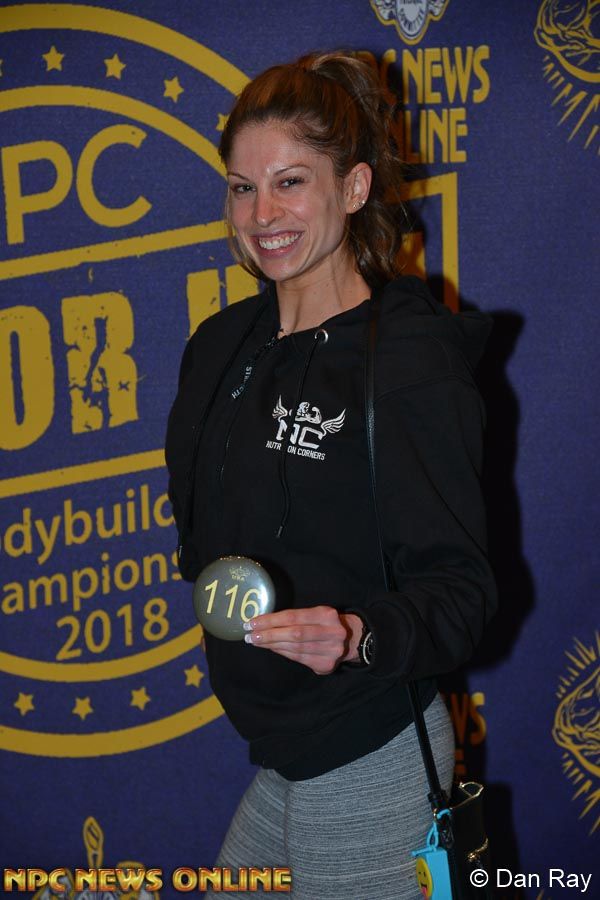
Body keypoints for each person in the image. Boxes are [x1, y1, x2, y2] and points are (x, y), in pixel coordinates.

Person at [165, 51, 497, 899]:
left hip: (369, 745)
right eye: (242, 188)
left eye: (290, 183)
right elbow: (201, 542)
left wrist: (355, 634)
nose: (261, 215)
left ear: (353, 188)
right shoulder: (219, 349)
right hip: (282, 747)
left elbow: (462, 593)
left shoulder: (408, 361)